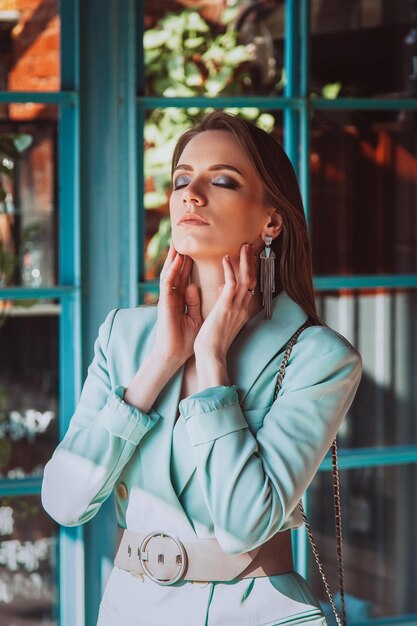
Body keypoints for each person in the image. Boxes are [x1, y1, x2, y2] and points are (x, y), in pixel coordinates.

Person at [41, 111, 362, 626]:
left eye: (222, 180)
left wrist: (211, 360)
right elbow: (64, 501)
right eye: (182, 179)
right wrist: (160, 363)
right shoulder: (123, 335)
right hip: (129, 612)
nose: (191, 194)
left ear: (271, 221)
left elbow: (243, 525)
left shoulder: (320, 358)